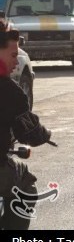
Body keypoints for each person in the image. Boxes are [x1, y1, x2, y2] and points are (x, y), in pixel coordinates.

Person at [0, 21, 53, 230]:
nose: (16, 62)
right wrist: (44, 135)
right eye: (13, 56)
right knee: (26, 185)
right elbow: (28, 134)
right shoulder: (10, 91)